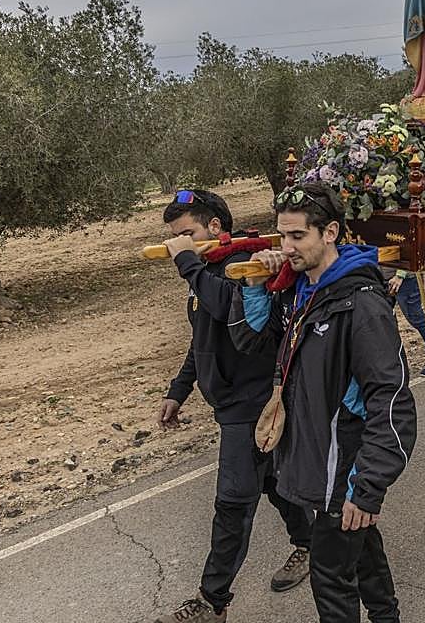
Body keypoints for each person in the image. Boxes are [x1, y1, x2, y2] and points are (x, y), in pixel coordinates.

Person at [230, 184, 416, 623]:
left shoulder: (361, 306)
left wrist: (366, 488)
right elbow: (252, 342)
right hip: (317, 457)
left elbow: (391, 403)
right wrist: (258, 283)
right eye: (282, 236)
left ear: (330, 232)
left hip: (344, 468)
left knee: (330, 576)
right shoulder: (301, 292)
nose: (287, 247)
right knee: (361, 546)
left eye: (298, 236)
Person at [155, 190, 313, 623]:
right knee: (274, 484)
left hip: (253, 403)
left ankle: (212, 601)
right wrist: (178, 389)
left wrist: (186, 262)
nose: (179, 243)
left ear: (216, 229)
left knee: (233, 502)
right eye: (174, 237)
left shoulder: (243, 264)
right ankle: (314, 544)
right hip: (229, 403)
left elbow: (229, 307)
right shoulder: (205, 271)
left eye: (187, 233)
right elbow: (201, 338)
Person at [384, 269, 425, 375]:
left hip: (405, 278)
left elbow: (410, 252)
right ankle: (391, 365)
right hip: (384, 277)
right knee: (384, 319)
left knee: (417, 319)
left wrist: (400, 275)